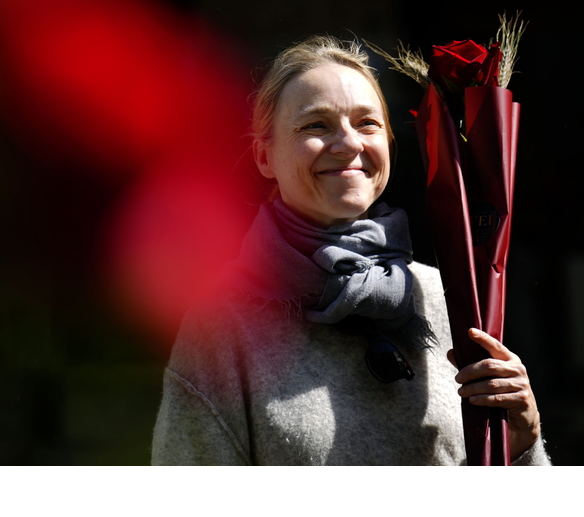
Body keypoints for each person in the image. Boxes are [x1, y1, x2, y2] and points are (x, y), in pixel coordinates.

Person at [151, 35, 549, 465]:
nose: (348, 144)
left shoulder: (448, 298)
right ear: (264, 156)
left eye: (367, 124)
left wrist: (522, 444)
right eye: (316, 125)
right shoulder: (222, 325)